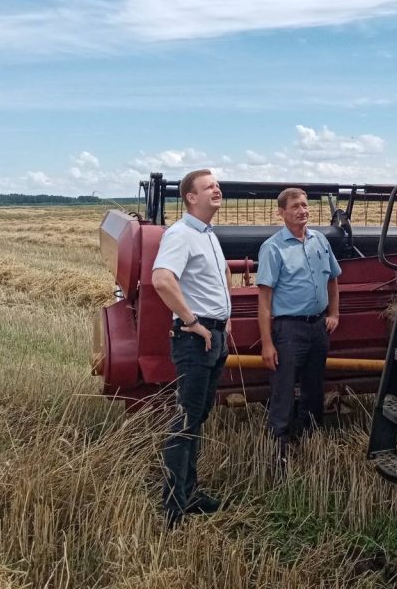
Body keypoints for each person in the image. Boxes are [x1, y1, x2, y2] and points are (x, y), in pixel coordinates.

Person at [151, 168, 231, 528]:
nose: (216, 189)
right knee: (185, 420)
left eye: (216, 184)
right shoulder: (181, 234)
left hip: (214, 337)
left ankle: (189, 492)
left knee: (197, 417)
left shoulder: (208, 235)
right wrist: (192, 320)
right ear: (190, 198)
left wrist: (223, 316)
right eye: (208, 186)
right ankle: (174, 506)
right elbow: (161, 279)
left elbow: (220, 276)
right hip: (195, 340)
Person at [256, 188, 341, 472]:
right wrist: (267, 343)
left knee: (314, 388)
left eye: (305, 205)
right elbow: (265, 301)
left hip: (318, 327)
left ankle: (310, 439)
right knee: (283, 389)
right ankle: (277, 450)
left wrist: (334, 313)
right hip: (289, 330)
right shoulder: (273, 248)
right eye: (294, 206)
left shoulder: (320, 241)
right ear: (281, 212)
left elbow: (333, 280)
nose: (302, 210)